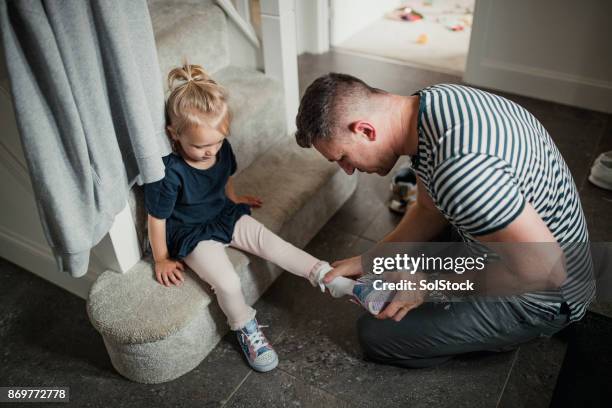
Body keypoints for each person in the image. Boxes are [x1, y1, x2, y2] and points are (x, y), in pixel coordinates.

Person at [294, 73, 595, 368]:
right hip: (517, 244)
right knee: (401, 269)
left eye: (343, 157)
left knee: (377, 336)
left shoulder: (461, 171)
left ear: (366, 131)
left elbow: (546, 272)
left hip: (546, 294)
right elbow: (429, 208)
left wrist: (429, 286)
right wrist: (371, 259)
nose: (347, 170)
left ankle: (501, 333)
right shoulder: (431, 105)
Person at [144, 64, 369, 373]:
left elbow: (225, 177)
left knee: (274, 245)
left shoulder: (220, 151)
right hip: (192, 231)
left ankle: (334, 281)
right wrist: (162, 258)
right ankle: (245, 327)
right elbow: (157, 218)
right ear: (174, 134)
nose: (211, 152)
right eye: (200, 146)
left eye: (217, 142)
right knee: (227, 281)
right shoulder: (169, 173)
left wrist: (233, 200)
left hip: (223, 214)